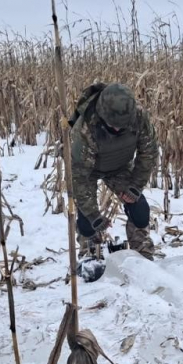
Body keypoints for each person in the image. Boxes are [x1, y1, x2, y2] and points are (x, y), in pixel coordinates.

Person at [69, 82, 158, 260]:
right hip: (89, 170)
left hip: (120, 166)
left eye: (122, 126)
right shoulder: (85, 129)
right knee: (87, 222)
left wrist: (135, 186)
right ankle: (89, 255)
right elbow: (80, 177)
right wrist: (94, 215)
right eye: (113, 125)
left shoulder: (138, 115)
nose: (117, 129)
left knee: (139, 210)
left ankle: (142, 252)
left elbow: (148, 152)